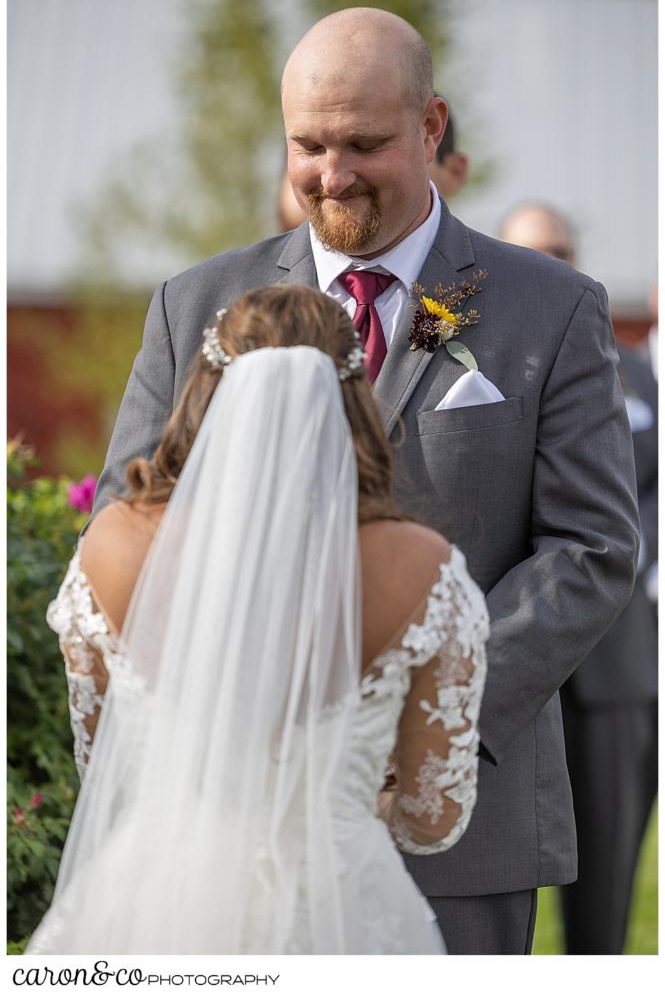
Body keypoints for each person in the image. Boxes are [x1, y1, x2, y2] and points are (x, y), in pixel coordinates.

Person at [90, 8, 639, 954]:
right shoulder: (194, 306)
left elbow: (590, 549)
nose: (330, 175)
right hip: (233, 833)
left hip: (458, 823)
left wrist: (426, 715)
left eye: (362, 143)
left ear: (430, 128)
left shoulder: (547, 308)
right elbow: (131, 522)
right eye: (307, 144)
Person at [27, 285, 488, 954]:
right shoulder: (420, 567)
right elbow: (432, 818)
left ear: (207, 387)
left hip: (153, 904)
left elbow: (106, 768)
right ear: (354, 397)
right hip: (341, 906)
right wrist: (340, 799)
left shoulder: (113, 545)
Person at [500, 202, 658, 954]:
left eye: (561, 249)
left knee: (604, 905)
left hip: (613, 666)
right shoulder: (464, 356)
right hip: (500, 661)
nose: (551, 264)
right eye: (531, 251)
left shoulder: (639, 380)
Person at [277, 105, 468, 232]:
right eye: (312, 148)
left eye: (366, 145)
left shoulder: (493, 278)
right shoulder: (252, 283)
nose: (333, 182)